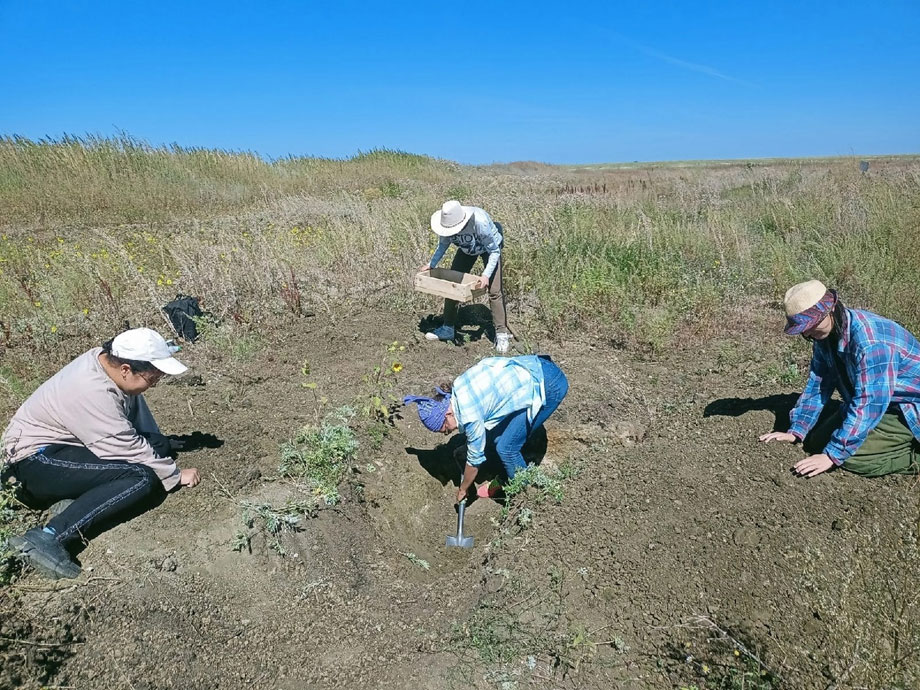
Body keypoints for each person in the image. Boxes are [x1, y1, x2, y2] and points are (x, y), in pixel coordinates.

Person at [1, 328, 201, 579]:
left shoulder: (107, 363)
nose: (154, 383)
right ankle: (49, 536)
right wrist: (173, 474)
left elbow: (132, 431)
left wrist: (160, 445)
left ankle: (76, 500)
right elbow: (123, 446)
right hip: (31, 464)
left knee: (156, 449)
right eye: (152, 378)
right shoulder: (90, 390)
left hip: (65, 448)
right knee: (141, 478)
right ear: (126, 369)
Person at [759, 280, 920, 478]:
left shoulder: (871, 344)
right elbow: (818, 383)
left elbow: (868, 404)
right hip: (878, 403)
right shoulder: (825, 335)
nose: (806, 333)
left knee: (850, 459)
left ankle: (915, 457)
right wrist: (796, 431)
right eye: (802, 328)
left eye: (810, 325)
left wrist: (832, 455)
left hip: (906, 407)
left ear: (832, 309)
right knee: (816, 442)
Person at [404, 354, 568, 501]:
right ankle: (505, 476)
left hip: (548, 384)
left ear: (447, 414)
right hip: (533, 366)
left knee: (507, 448)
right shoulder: (459, 388)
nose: (449, 432)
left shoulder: (470, 416)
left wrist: (463, 488)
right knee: (496, 437)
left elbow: (474, 462)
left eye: (446, 429)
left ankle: (526, 496)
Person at [418, 200, 512, 353]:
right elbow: (443, 245)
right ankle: (448, 327)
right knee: (451, 286)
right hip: (467, 250)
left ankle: (501, 333)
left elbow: (494, 251)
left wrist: (486, 275)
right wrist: (432, 264)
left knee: (494, 291)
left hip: (489, 249)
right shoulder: (446, 224)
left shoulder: (479, 223)